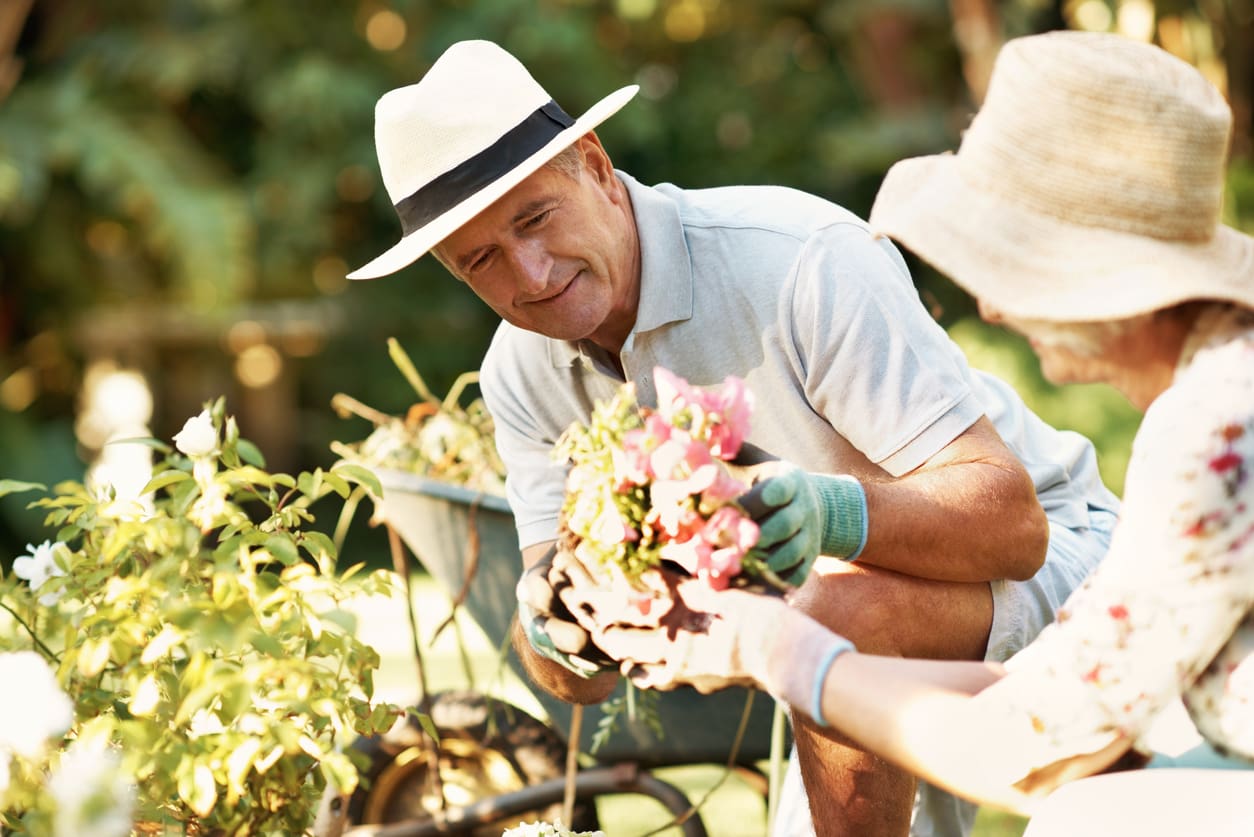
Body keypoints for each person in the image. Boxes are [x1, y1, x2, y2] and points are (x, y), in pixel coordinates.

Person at [346, 39, 1119, 837]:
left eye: (536, 218)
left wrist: (831, 516)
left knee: (824, 613)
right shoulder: (520, 373)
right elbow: (567, 681)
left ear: (596, 165)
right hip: (831, 626)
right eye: (483, 260)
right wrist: (558, 624)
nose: (532, 275)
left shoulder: (796, 260)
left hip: (1074, 563)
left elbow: (1014, 528)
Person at [567, 30, 1254, 834]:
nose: (991, 307)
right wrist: (791, 644)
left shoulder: (1216, 428)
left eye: (1003, 263)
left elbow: (1031, 752)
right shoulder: (1216, 397)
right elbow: (1049, 701)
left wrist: (769, 647)